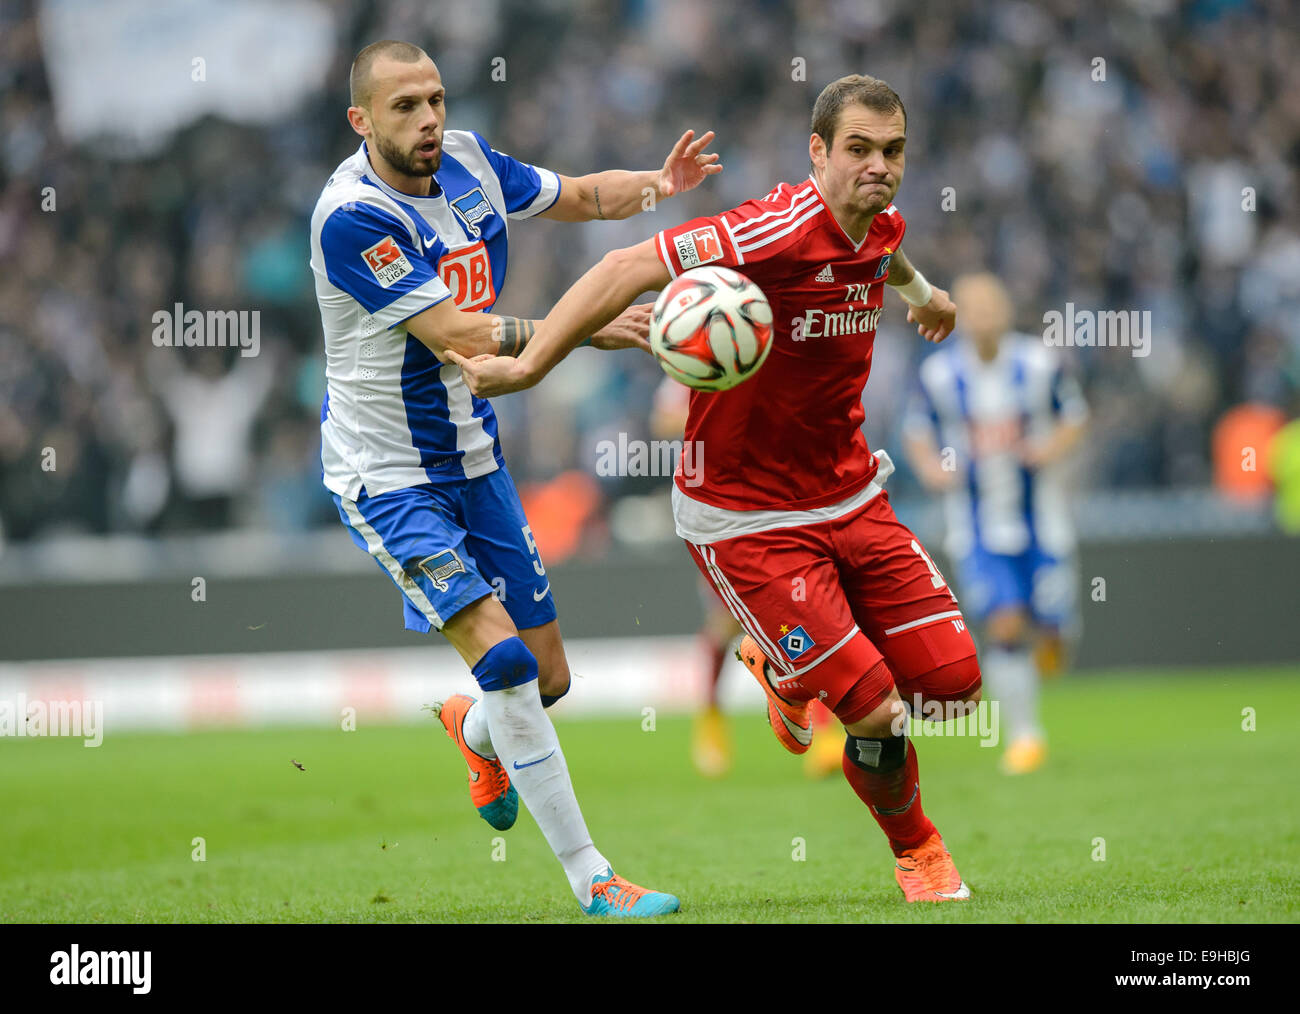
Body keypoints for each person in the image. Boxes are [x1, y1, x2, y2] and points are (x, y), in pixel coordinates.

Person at [449, 75, 984, 903]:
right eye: (859, 150)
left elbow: (890, 249)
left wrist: (927, 297)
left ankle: (783, 665)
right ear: (817, 152)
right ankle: (919, 851)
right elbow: (626, 263)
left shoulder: (880, 225)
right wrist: (527, 365)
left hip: (850, 494)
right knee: (875, 712)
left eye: (893, 150)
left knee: (953, 687)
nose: (879, 166)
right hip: (747, 517)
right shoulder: (770, 230)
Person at [310, 40, 721, 917]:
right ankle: (594, 878)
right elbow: (458, 332)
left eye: (435, 99)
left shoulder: (467, 162)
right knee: (502, 660)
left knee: (548, 677)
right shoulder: (351, 218)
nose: (428, 120)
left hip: (474, 455)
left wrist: (661, 183)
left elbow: (580, 197)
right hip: (388, 475)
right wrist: (582, 326)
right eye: (404, 108)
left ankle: (472, 730)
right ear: (361, 120)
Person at [902, 273, 1088, 774]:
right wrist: (930, 468)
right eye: (975, 307)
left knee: (1051, 635)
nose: (983, 317)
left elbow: (1075, 414)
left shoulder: (1040, 364)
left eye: (992, 306)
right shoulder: (940, 374)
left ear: (1006, 312)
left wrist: (1051, 448)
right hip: (978, 528)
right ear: (959, 313)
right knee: (1006, 624)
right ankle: (1026, 737)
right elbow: (917, 429)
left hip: (1043, 523)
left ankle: (1053, 635)